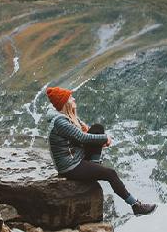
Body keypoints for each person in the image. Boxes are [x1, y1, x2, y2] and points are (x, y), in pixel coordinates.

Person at [44, 86, 157, 216]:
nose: (74, 99)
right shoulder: (60, 122)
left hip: (75, 156)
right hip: (71, 166)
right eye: (70, 97)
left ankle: (94, 166)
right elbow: (82, 137)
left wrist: (96, 136)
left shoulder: (66, 116)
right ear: (65, 103)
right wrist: (104, 138)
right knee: (110, 174)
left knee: (97, 128)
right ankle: (135, 205)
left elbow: (84, 130)